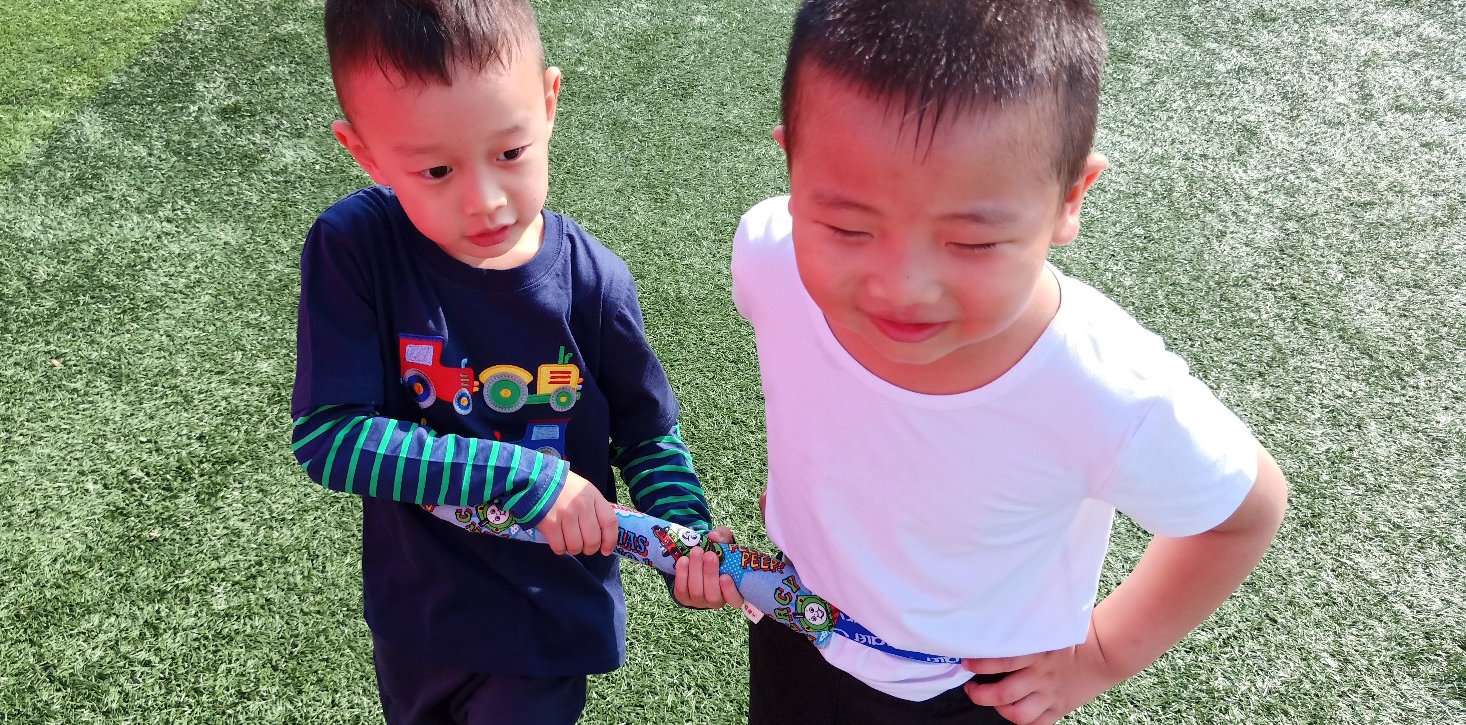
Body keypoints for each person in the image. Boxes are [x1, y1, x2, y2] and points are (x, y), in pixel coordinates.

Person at [728, 1, 1290, 723]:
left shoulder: (1103, 388)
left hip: (969, 693)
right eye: (846, 226)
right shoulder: (769, 257)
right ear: (793, 169)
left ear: (1069, 198)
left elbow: (1246, 511)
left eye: (972, 242)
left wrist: (1100, 654)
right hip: (797, 626)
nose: (902, 286)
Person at [289, 1, 733, 722]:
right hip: (417, 620)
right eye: (436, 169)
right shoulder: (355, 247)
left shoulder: (594, 282)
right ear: (364, 152)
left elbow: (648, 437)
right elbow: (331, 437)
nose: (485, 202)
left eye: (510, 153)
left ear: (549, 102)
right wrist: (526, 478)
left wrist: (682, 539)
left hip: (545, 625)